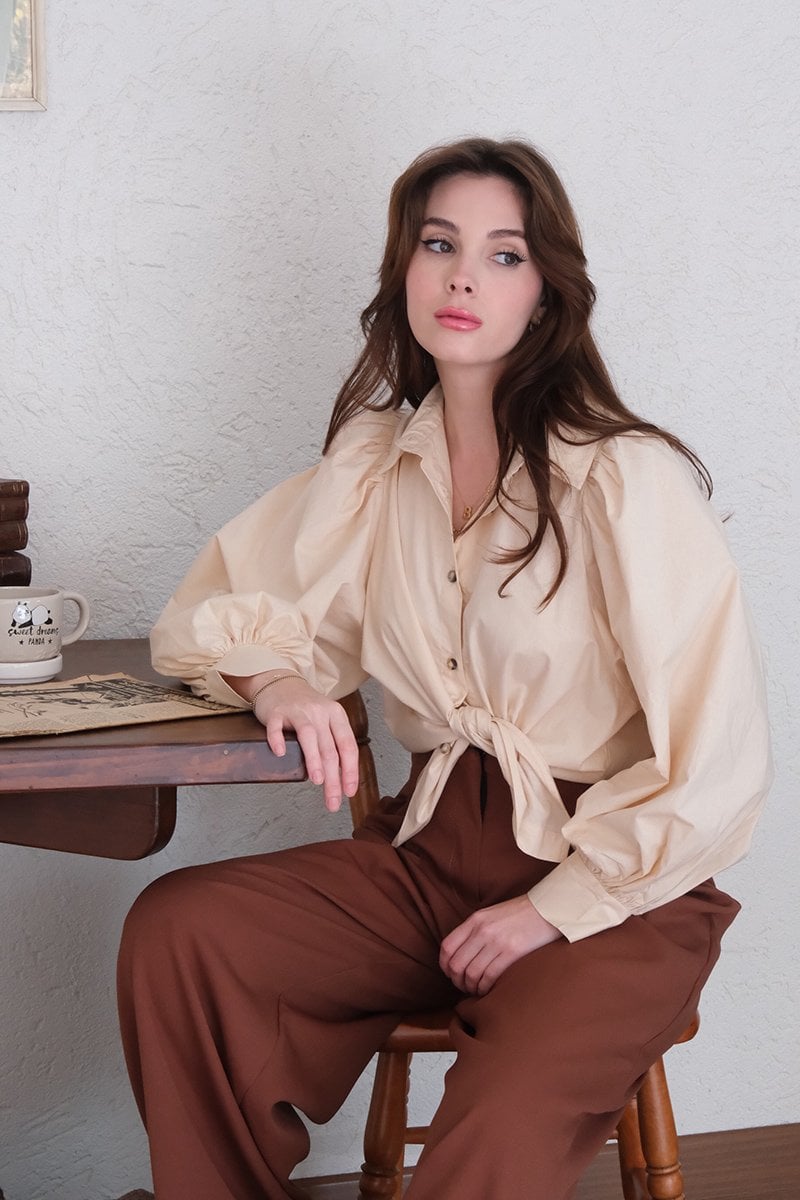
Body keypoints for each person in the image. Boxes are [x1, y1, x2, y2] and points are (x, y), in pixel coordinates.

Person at [117, 137, 771, 1200]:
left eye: (504, 255)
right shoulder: (377, 466)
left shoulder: (622, 479)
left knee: (498, 1121)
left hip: (615, 890)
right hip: (427, 858)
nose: (463, 277)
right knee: (180, 931)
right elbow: (212, 614)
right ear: (405, 270)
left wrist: (550, 909)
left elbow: (718, 762)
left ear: (545, 293)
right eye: (439, 245)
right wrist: (279, 680)